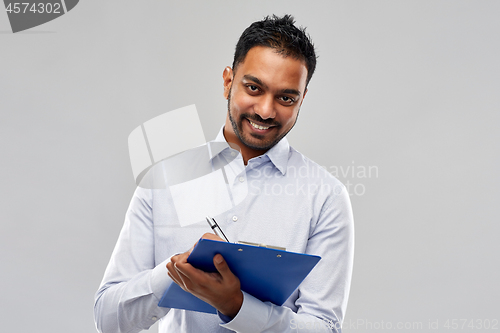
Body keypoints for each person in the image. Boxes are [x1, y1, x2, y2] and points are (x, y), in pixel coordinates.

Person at [94, 14, 354, 333]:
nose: (265, 110)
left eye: (286, 97)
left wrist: (237, 307)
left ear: (302, 99)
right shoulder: (162, 180)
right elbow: (108, 319)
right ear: (228, 81)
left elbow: (325, 328)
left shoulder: (325, 196)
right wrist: (174, 275)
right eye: (254, 88)